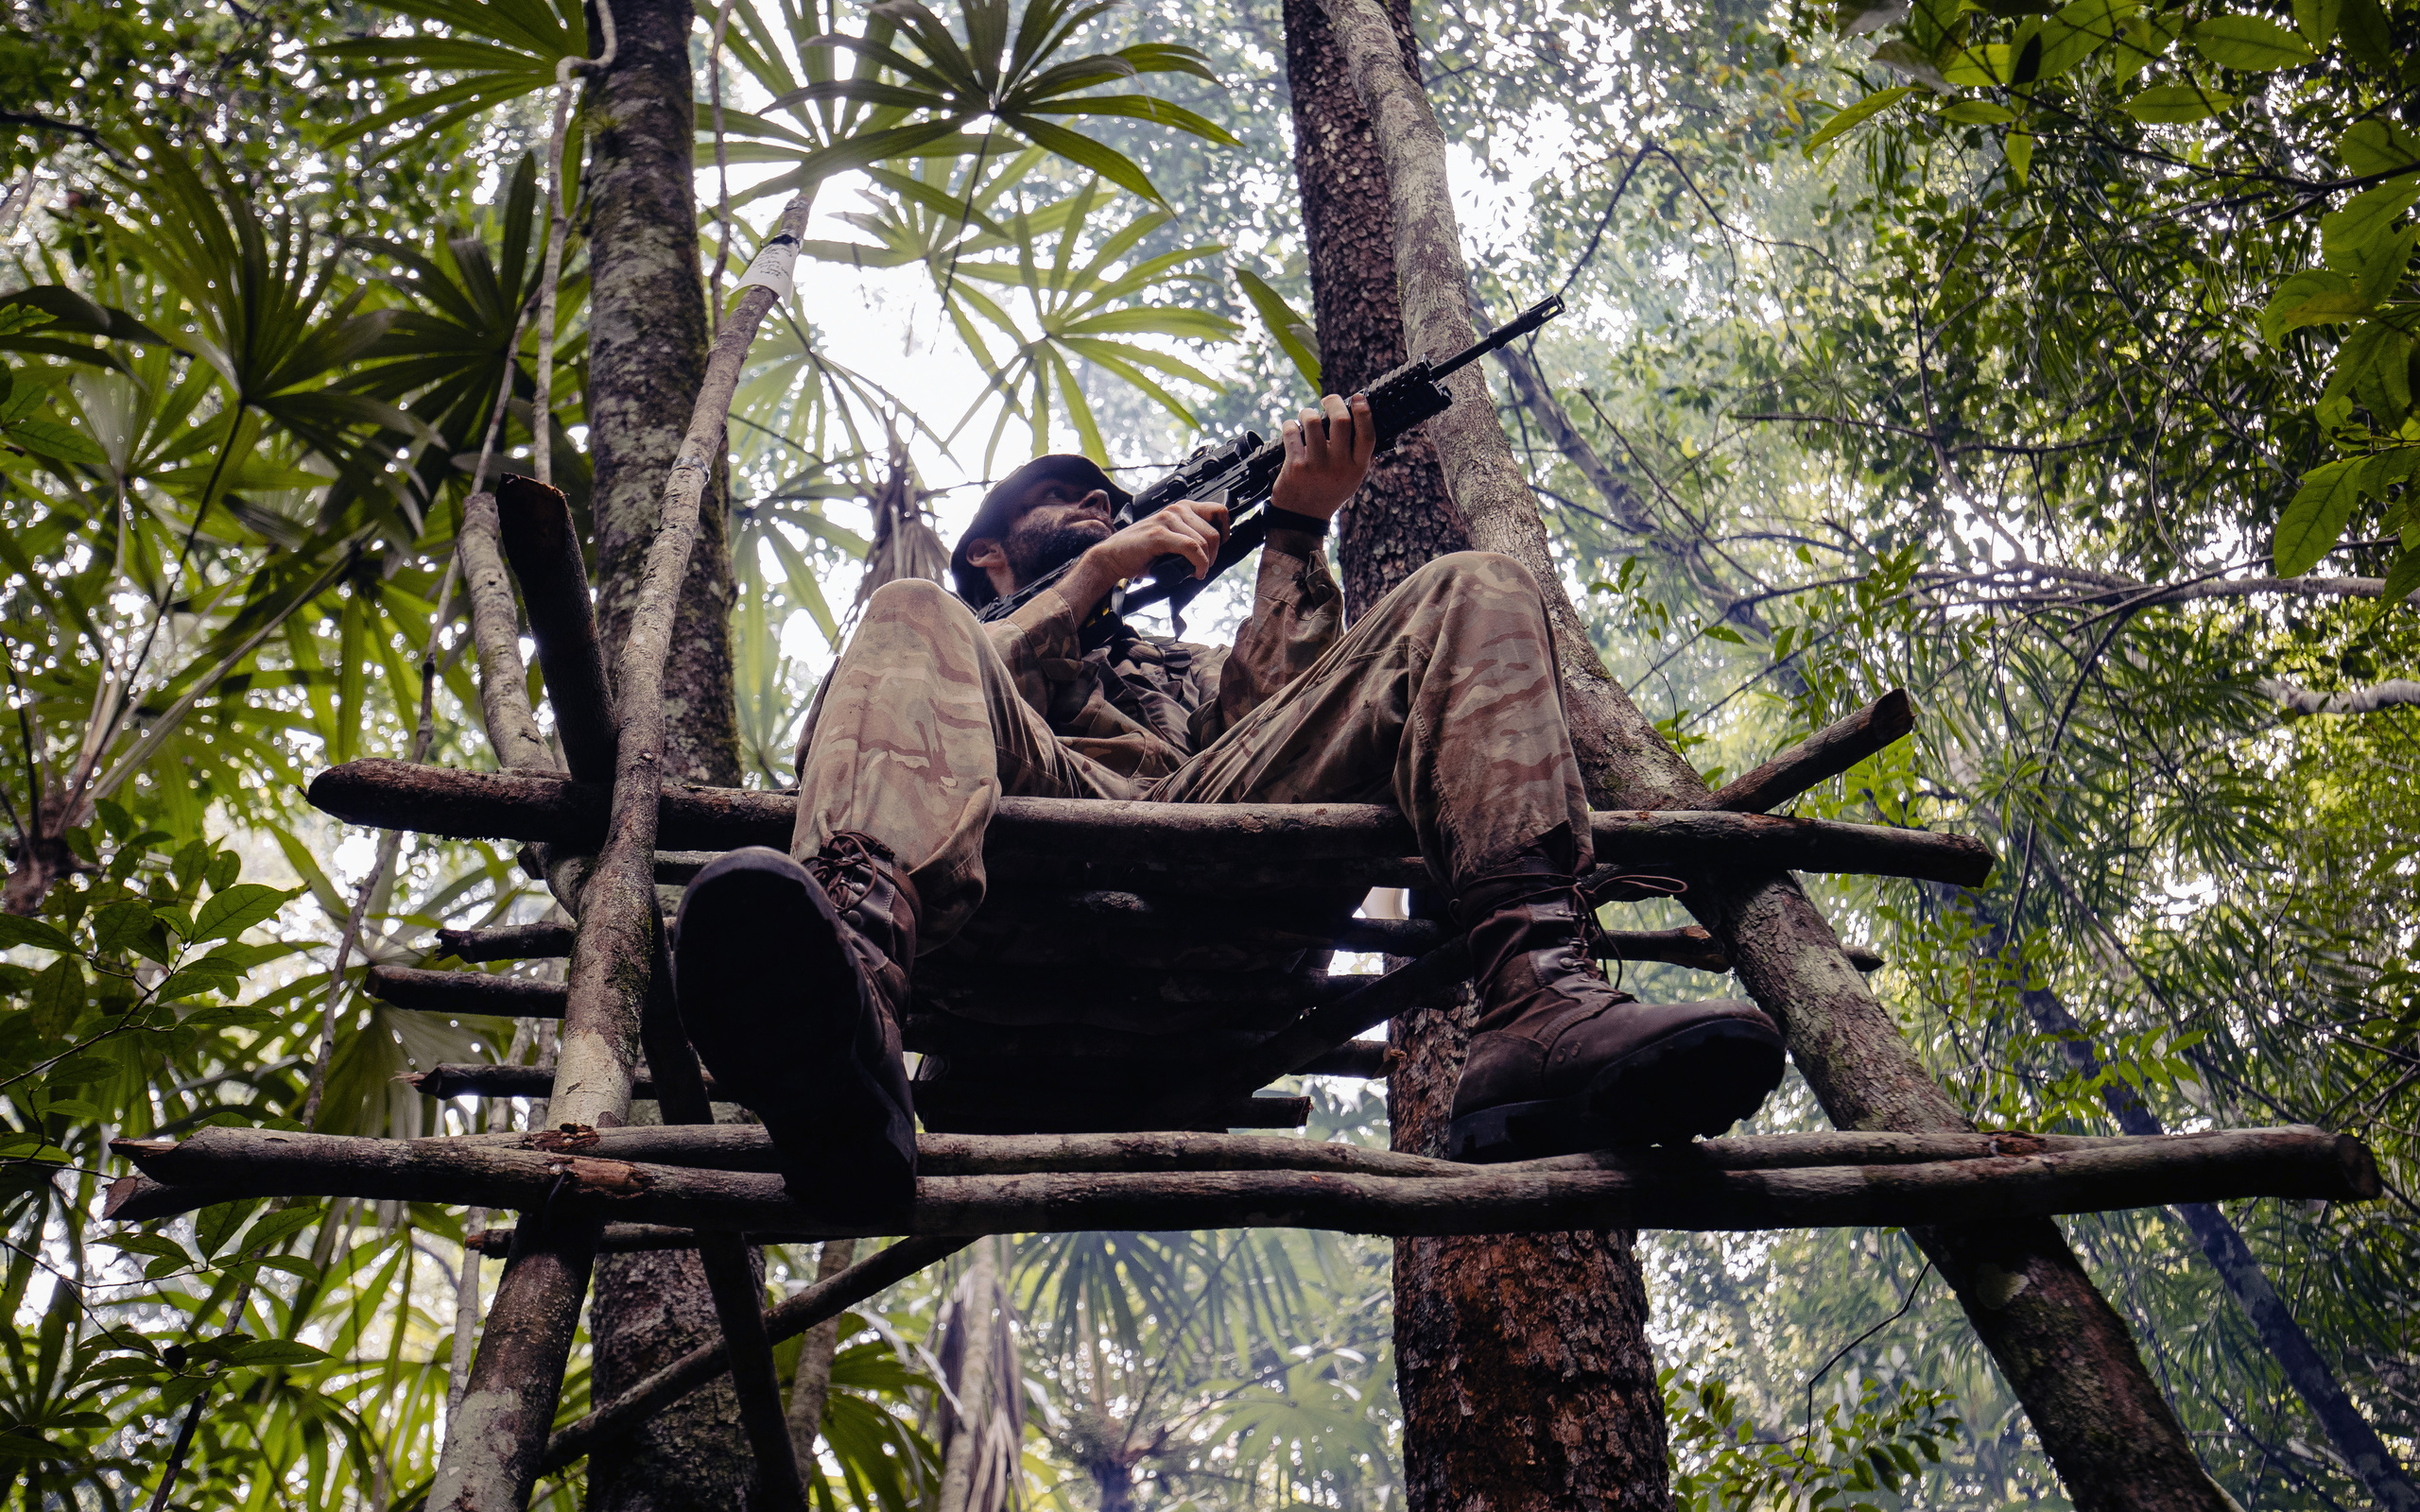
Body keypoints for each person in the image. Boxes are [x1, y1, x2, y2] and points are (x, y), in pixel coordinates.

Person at [671, 393, 1784, 1217]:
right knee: (909, 608)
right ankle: (851, 999)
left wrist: (1295, 530)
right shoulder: (945, 637)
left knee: (1475, 585)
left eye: (1106, 500)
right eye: (1067, 502)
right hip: (1001, 913)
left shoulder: (1184, 664)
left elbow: (1289, 728)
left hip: (1218, 907)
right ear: (993, 553)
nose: (1100, 504)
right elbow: (873, 736)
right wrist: (1090, 577)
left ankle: (1540, 995)